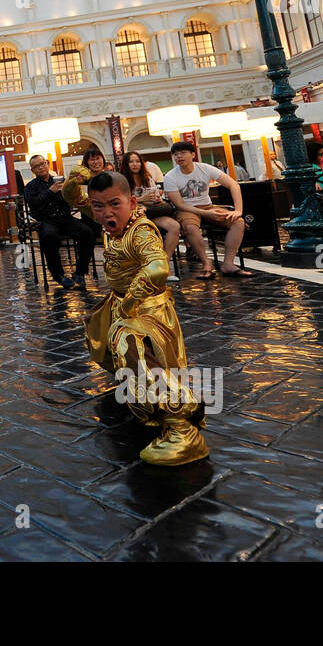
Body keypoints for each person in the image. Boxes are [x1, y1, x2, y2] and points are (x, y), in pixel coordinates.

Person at [77, 170, 209, 466]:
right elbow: (75, 197)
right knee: (101, 337)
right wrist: (76, 177)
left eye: (114, 204)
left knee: (131, 346)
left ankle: (182, 428)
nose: (105, 212)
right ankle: (139, 392)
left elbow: (157, 268)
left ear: (132, 201)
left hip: (145, 308)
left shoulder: (141, 231)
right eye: (98, 206)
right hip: (119, 302)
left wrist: (133, 299)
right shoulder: (109, 221)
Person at [162, 141, 253, 278]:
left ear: (193, 154)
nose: (179, 156)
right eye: (175, 154)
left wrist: (238, 210)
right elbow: (179, 204)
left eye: (182, 153)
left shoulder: (205, 168)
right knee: (191, 228)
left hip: (208, 206)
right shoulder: (170, 176)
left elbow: (233, 185)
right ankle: (206, 263)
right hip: (187, 209)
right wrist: (206, 213)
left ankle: (228, 263)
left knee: (238, 222)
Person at [23, 153, 96, 289]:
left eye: (43, 163)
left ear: (48, 164)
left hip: (65, 218)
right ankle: (59, 275)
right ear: (32, 170)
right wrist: (50, 192)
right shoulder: (30, 187)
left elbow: (71, 200)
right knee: (49, 236)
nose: (41, 167)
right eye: (36, 166)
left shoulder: (61, 180)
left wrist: (72, 191)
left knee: (87, 232)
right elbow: (33, 205)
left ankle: (80, 272)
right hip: (47, 220)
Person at [120, 150, 180, 280]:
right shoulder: (121, 181)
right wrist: (141, 199)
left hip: (152, 212)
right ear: (126, 164)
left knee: (174, 226)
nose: (135, 164)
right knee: (146, 230)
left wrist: (158, 199)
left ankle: (164, 266)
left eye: (137, 161)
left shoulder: (147, 178)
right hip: (134, 216)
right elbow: (121, 202)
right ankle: (145, 268)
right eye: (131, 162)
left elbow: (156, 194)